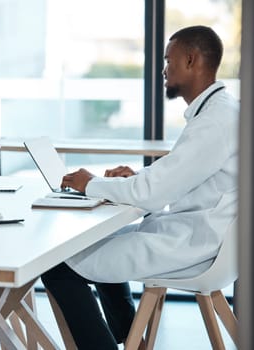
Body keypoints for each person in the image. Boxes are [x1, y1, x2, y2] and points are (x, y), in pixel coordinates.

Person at [41, 25, 238, 350]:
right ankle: (131, 339)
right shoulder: (225, 111)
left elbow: (154, 193)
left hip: (195, 246)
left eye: (168, 60)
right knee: (102, 241)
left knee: (58, 265)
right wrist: (137, 176)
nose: (163, 69)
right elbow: (189, 175)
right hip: (208, 237)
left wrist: (91, 184)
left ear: (191, 60)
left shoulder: (213, 123)